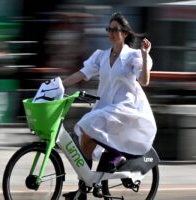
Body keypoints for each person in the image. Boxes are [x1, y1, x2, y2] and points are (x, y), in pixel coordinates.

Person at [62, 12, 157, 199]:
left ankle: (116, 155)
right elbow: (82, 74)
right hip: (106, 108)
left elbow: (144, 81)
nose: (111, 33)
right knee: (85, 142)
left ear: (125, 33)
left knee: (84, 125)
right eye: (109, 29)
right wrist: (59, 84)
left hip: (125, 109)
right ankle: (84, 189)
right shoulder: (102, 56)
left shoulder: (132, 56)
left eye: (115, 29)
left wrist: (145, 57)